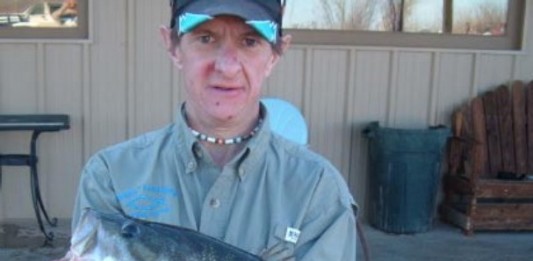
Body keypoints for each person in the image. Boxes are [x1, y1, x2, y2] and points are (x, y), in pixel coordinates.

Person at [71, 0, 357, 259]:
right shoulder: (110, 175)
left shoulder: (318, 189)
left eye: (250, 41)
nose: (227, 66)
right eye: (205, 38)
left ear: (275, 55)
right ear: (172, 46)